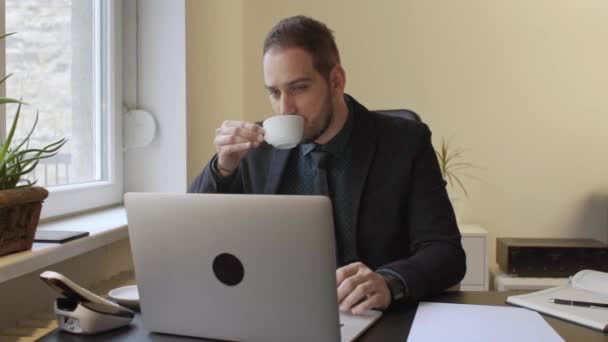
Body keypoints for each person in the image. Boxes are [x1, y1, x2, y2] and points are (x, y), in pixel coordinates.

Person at [189, 15, 466, 315]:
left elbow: (445, 253)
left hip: (374, 320)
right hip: (279, 315)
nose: (285, 108)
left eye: (298, 88)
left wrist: (388, 282)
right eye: (274, 92)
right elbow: (194, 234)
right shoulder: (256, 151)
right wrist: (223, 168)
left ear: (336, 81)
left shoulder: (405, 143)